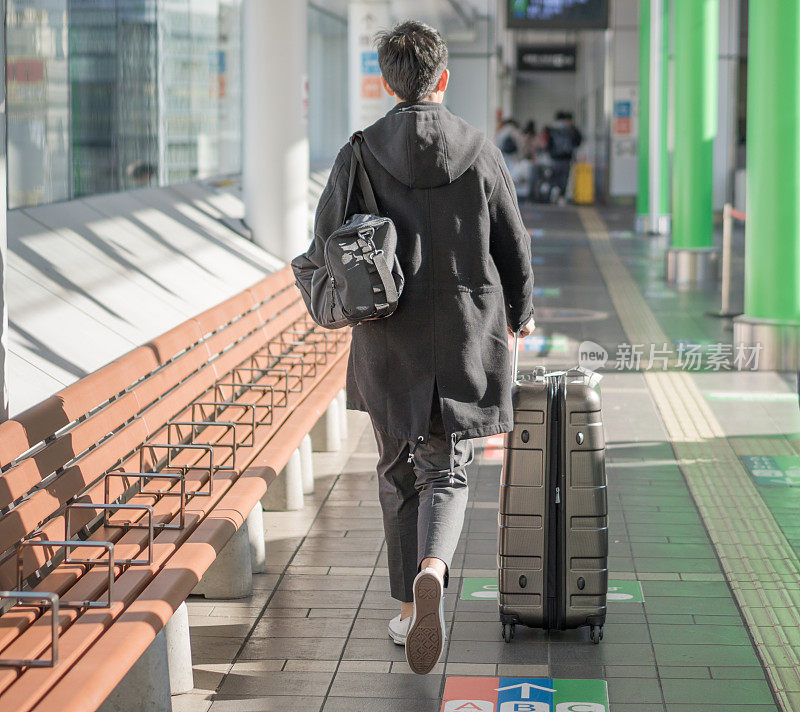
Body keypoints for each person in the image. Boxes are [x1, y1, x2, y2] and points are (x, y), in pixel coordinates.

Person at [295, 20, 535, 675]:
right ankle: (435, 568)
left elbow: (325, 249)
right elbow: (511, 247)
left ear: (384, 80)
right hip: (464, 337)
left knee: (397, 471)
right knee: (446, 471)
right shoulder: (479, 150)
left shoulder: (358, 154)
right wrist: (521, 313)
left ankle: (406, 609)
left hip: (385, 344)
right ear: (444, 78)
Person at [546, 110, 583, 204]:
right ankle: (562, 197)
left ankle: (553, 193)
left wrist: (549, 153)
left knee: (554, 176)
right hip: (566, 158)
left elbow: (548, 143)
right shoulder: (571, 128)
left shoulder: (552, 128)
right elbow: (579, 140)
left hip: (554, 158)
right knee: (564, 178)